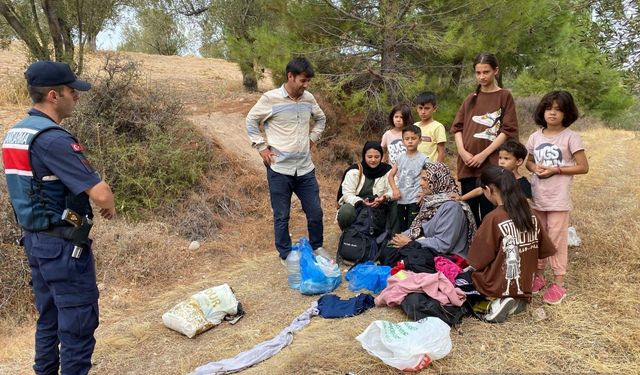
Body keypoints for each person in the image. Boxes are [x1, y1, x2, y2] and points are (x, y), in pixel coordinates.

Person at [2, 61, 116, 374]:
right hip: (64, 248)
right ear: (54, 95)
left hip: (37, 242)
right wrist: (109, 203)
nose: (76, 97)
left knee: (49, 320)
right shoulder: (54, 139)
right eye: (71, 91)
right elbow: (101, 193)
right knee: (77, 325)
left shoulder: (17, 133)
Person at [245, 57, 329, 264]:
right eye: (302, 80)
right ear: (290, 76)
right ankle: (285, 254)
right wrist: (261, 147)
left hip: (305, 168)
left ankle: (317, 246)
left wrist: (312, 139)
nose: (306, 85)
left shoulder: (308, 98)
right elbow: (251, 121)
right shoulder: (270, 98)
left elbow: (321, 119)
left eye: (308, 80)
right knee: (282, 215)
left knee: (315, 212)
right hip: (280, 169)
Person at [463, 166, 556, 323]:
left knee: (462, 282)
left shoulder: (493, 218)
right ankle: (514, 299)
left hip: (496, 284)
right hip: (525, 285)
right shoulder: (530, 214)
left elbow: (477, 261)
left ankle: (493, 303)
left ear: (488, 190)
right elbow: (544, 249)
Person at [526, 90, 589, 305]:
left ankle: (559, 283)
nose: (552, 113)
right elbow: (528, 161)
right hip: (537, 197)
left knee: (556, 239)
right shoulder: (535, 136)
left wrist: (557, 170)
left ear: (567, 113)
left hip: (558, 199)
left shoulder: (571, 137)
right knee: (539, 237)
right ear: (542, 110)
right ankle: (539, 276)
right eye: (549, 108)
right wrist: (535, 168)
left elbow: (583, 167)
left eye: (559, 110)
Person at [451, 52, 518, 226]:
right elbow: (457, 128)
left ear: (496, 71)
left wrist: (484, 154)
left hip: (491, 165)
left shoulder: (504, 96)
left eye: (486, 72)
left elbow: (507, 130)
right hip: (468, 165)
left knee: (492, 215)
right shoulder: (470, 99)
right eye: (478, 72)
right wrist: (462, 151)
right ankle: (471, 251)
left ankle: (492, 251)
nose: (482, 76)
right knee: (469, 215)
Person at [388, 162, 477, 258]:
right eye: (421, 179)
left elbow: (443, 244)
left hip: (448, 260)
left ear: (438, 181)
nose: (420, 183)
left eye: (425, 179)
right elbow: (419, 229)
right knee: (388, 251)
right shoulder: (431, 202)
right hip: (430, 254)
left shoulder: (452, 208)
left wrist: (410, 243)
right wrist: (398, 239)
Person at [336, 141, 394, 230]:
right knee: (346, 211)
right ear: (364, 156)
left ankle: (391, 236)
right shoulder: (354, 172)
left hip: (380, 206)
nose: (373, 160)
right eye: (369, 157)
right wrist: (361, 202)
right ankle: (349, 235)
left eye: (377, 157)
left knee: (397, 205)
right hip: (358, 206)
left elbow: (394, 191)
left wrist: (384, 198)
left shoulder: (388, 171)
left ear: (381, 156)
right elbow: (347, 195)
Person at [451, 138, 532, 202]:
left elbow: (527, 203)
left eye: (506, 158)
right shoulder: (496, 178)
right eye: (500, 158)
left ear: (519, 161)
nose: (502, 162)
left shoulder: (523, 183)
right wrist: (461, 198)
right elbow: (481, 190)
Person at [388, 125, 430, 232]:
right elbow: (391, 176)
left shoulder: (424, 159)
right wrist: (395, 189)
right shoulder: (399, 158)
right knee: (402, 227)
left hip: (415, 199)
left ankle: (412, 246)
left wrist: (425, 192)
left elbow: (430, 178)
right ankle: (403, 247)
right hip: (401, 199)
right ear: (402, 141)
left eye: (413, 138)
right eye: (407, 139)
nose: (410, 141)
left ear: (420, 140)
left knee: (413, 226)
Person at [414, 91, 446, 163]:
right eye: (420, 108)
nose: (423, 111)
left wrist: (437, 169)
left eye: (427, 108)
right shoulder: (415, 126)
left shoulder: (438, 127)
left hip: (431, 169)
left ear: (434, 109)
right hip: (415, 168)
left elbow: (441, 152)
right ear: (417, 109)